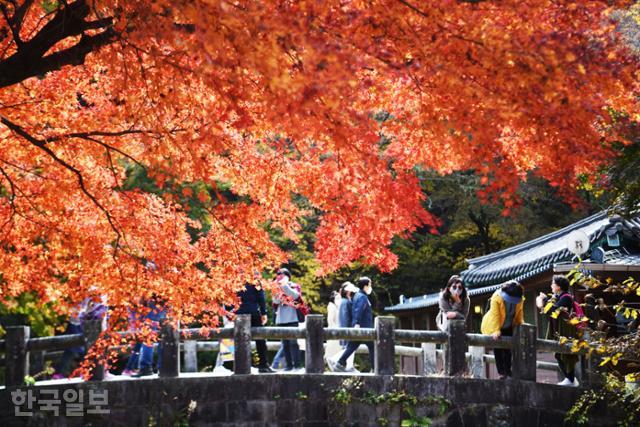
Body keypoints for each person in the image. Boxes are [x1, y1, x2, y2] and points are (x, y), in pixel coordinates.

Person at [536, 275, 580, 387]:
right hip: (558, 330)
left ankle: (570, 379)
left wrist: (545, 299)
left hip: (565, 330)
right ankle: (570, 379)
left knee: (565, 355)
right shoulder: (557, 296)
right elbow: (546, 309)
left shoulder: (566, 297)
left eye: (553, 284)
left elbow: (553, 310)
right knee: (558, 354)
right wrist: (545, 300)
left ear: (559, 286)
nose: (551, 285)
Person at [481, 280, 524, 379]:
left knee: (508, 349)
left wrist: (521, 324)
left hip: (509, 325)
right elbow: (495, 315)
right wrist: (496, 330)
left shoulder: (520, 299)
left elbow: (519, 313)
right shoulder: (496, 297)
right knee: (498, 349)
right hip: (495, 324)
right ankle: (501, 373)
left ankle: (508, 372)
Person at [332, 277, 375, 372]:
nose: (370, 286)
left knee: (352, 346)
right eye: (370, 284)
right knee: (372, 347)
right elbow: (358, 311)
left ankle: (340, 363)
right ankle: (374, 368)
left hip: (360, 327)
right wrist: (357, 323)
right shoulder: (362, 297)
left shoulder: (357, 295)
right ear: (365, 286)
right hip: (364, 328)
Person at [236, 276, 274, 373]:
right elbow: (260, 297)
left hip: (239, 312)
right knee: (260, 339)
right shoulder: (254, 279)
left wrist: (230, 312)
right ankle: (263, 364)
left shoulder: (233, 277)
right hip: (253, 311)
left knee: (240, 339)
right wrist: (264, 312)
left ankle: (240, 366)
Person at [272, 268, 303, 371]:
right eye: (279, 275)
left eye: (283, 275)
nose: (280, 277)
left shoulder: (295, 286)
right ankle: (289, 366)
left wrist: (285, 286)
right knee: (285, 344)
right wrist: (278, 289)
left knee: (293, 343)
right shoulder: (276, 287)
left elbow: (296, 296)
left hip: (292, 317)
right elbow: (275, 301)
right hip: (281, 318)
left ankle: (297, 365)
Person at [133, 294, 167, 377]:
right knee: (164, 335)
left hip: (153, 300)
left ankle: (145, 367)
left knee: (148, 335)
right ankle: (163, 367)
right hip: (166, 299)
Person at [325, 290, 342, 365]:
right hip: (334, 331)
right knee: (332, 350)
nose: (339, 300)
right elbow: (330, 320)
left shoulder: (337, 307)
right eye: (337, 298)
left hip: (338, 331)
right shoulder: (331, 306)